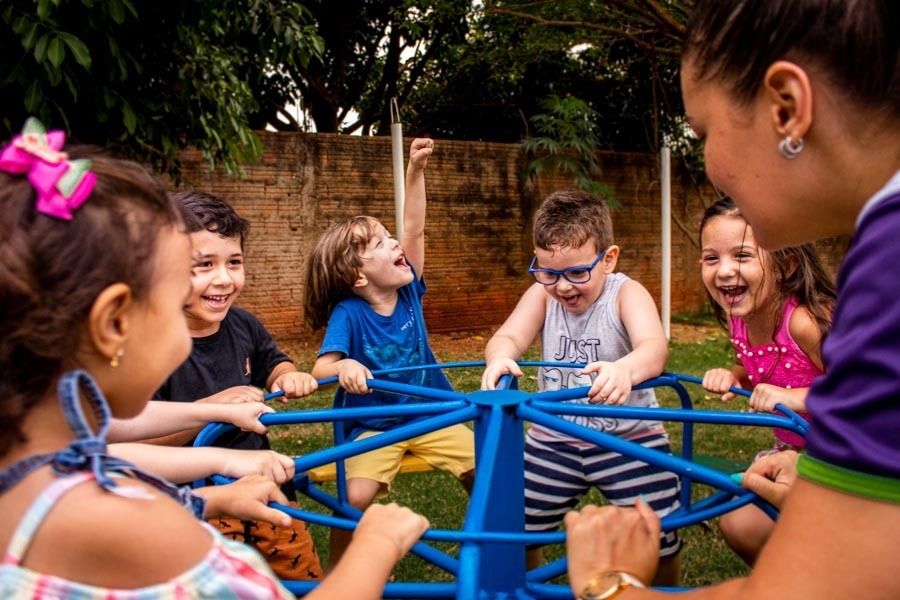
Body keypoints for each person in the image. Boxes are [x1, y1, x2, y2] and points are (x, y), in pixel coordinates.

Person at [0, 119, 430, 598]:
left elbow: (105, 444)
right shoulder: (150, 536)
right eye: (171, 299)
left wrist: (207, 482)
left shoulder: (34, 468)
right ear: (114, 324)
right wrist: (376, 545)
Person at [565, 1, 900, 598]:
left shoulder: (887, 268)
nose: (709, 164)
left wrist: (609, 585)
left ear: (787, 108)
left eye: (703, 133)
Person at [481, 189, 682, 584]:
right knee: (515, 527)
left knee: (656, 533)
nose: (563, 287)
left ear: (608, 259)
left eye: (576, 273)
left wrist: (625, 369)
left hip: (629, 439)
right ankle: (523, 590)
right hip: (554, 439)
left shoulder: (625, 293)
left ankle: (665, 592)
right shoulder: (542, 295)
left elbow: (654, 348)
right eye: (548, 272)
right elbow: (506, 338)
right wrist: (500, 357)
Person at [304, 138, 476, 568]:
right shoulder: (350, 312)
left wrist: (416, 170)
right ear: (358, 275)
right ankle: (338, 580)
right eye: (381, 243)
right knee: (353, 499)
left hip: (435, 415)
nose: (396, 243)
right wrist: (343, 364)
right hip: (376, 427)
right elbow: (322, 366)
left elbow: (414, 228)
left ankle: (486, 554)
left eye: (389, 236)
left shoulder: (410, 293)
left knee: (488, 472)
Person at [151, 189, 323, 581]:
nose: (224, 279)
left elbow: (273, 362)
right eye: (204, 265)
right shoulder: (153, 346)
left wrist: (286, 375)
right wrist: (216, 409)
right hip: (197, 503)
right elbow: (135, 445)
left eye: (234, 262)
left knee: (300, 577)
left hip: (263, 486)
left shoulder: (243, 324)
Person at [698, 196, 835, 564]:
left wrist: (795, 397)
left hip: (845, 457)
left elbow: (862, 388)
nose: (724, 270)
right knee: (739, 524)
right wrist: (735, 376)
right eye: (712, 258)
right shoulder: (739, 318)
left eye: (741, 256)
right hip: (791, 454)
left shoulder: (805, 322)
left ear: (786, 265)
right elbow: (762, 369)